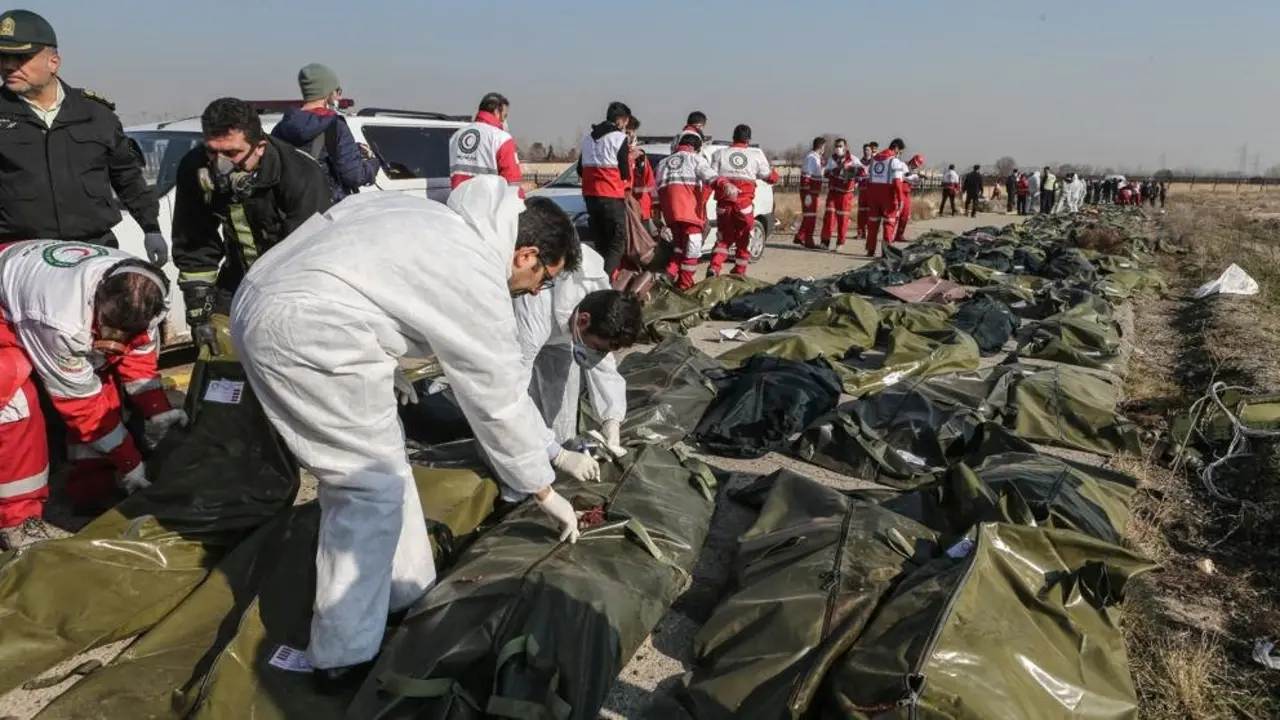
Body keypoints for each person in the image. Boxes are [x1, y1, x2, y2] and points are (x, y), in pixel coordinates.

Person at [230, 179, 593, 691]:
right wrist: (542, 486)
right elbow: (497, 398)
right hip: (307, 328)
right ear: (525, 253)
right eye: (543, 278)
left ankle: (407, 593)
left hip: (271, 303)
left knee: (387, 467)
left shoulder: (431, 217)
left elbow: (366, 279)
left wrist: (382, 354)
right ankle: (342, 656)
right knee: (365, 488)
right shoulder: (474, 274)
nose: (537, 291)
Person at [0, 241, 187, 549]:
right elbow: (82, 408)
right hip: (13, 304)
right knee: (15, 399)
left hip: (28, 285)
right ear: (99, 296)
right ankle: (18, 523)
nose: (113, 340)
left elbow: (138, 359)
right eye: (109, 325)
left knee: (102, 381)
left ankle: (91, 490)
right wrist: (130, 462)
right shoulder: (61, 319)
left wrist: (157, 411)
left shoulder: (145, 295)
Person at [0, 10, 165, 263]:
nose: (8, 66)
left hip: (92, 251)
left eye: (21, 57)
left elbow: (127, 176)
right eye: (3, 57)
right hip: (20, 255)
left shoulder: (95, 114)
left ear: (53, 62)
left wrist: (151, 228)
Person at [172, 98, 331, 357]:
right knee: (217, 351)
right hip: (238, 278)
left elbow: (309, 259)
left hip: (294, 284)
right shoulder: (195, 168)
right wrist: (199, 315)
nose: (219, 164)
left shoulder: (301, 175)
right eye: (212, 151)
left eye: (232, 153)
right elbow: (195, 245)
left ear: (259, 147)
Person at [515, 245, 643, 457]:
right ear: (583, 320)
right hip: (519, 332)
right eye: (597, 348)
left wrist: (612, 418)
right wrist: (557, 455)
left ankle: (559, 449)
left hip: (561, 336)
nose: (596, 354)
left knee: (561, 414)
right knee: (520, 401)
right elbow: (511, 390)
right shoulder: (535, 312)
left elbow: (603, 361)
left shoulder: (597, 291)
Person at [271, 63, 379, 204]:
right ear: (328, 93)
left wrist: (353, 150)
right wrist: (373, 163)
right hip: (326, 209)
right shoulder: (335, 126)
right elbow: (354, 176)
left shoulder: (281, 127)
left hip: (291, 208)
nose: (339, 96)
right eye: (337, 91)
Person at [656, 131, 729, 289]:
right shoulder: (695, 159)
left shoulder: (663, 163)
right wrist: (726, 184)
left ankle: (669, 273)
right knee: (692, 250)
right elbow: (711, 177)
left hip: (671, 216)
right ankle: (685, 284)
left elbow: (656, 191)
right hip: (690, 213)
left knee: (679, 247)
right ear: (696, 148)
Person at [708, 124, 777, 278]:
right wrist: (774, 175)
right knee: (743, 237)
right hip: (744, 205)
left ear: (733, 137)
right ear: (749, 139)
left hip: (724, 205)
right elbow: (770, 177)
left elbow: (710, 177)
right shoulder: (755, 156)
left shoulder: (719, 154)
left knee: (723, 238)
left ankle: (714, 266)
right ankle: (739, 271)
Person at [577, 101, 632, 277]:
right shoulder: (618, 138)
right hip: (611, 195)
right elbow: (624, 172)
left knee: (601, 242)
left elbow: (580, 169)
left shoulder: (588, 139)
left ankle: (597, 277)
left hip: (590, 196)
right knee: (617, 242)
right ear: (621, 120)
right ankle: (603, 280)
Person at [448, 91, 523, 197]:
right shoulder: (501, 138)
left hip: (458, 205)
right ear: (497, 112)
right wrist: (519, 205)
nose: (505, 120)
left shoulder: (456, 136)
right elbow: (512, 182)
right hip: (488, 207)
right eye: (505, 116)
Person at [863, 138, 910, 256]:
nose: (900, 154)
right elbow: (898, 183)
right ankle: (886, 252)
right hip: (888, 195)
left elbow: (869, 179)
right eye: (901, 151)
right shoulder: (894, 161)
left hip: (873, 194)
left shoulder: (874, 160)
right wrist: (900, 199)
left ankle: (870, 249)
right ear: (897, 149)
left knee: (873, 224)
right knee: (889, 223)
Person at [819, 138, 860, 250]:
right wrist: (837, 170)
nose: (838, 148)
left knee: (843, 219)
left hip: (846, 194)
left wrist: (851, 171)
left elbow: (862, 172)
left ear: (845, 147)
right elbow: (826, 173)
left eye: (840, 146)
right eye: (836, 146)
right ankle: (825, 241)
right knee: (829, 217)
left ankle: (840, 242)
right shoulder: (832, 159)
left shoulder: (853, 159)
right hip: (833, 192)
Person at [793, 136, 825, 246]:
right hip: (809, 192)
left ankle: (800, 236)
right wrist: (807, 194)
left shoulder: (817, 158)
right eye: (824, 147)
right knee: (810, 216)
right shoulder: (811, 158)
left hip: (813, 192)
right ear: (821, 146)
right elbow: (806, 177)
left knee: (809, 215)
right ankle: (808, 240)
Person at [626, 118, 656, 230]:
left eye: (630, 132)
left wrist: (655, 208)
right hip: (626, 209)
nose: (629, 136)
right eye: (627, 132)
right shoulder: (614, 155)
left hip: (642, 210)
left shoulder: (640, 156)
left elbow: (650, 183)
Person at [893, 154, 924, 243]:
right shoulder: (903, 165)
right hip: (900, 192)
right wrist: (914, 177)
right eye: (914, 163)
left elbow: (915, 183)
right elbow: (904, 177)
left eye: (916, 165)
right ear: (912, 160)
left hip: (907, 193)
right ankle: (890, 234)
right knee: (897, 214)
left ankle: (899, 235)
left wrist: (919, 179)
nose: (914, 165)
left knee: (905, 216)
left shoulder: (914, 171)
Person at [855, 142, 875, 238]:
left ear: (871, 151)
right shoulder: (859, 162)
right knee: (861, 212)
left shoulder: (875, 162)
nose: (866, 152)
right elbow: (856, 175)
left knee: (870, 212)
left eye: (868, 150)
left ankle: (869, 232)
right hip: (862, 190)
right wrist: (857, 179)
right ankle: (860, 232)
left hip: (871, 190)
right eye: (864, 150)